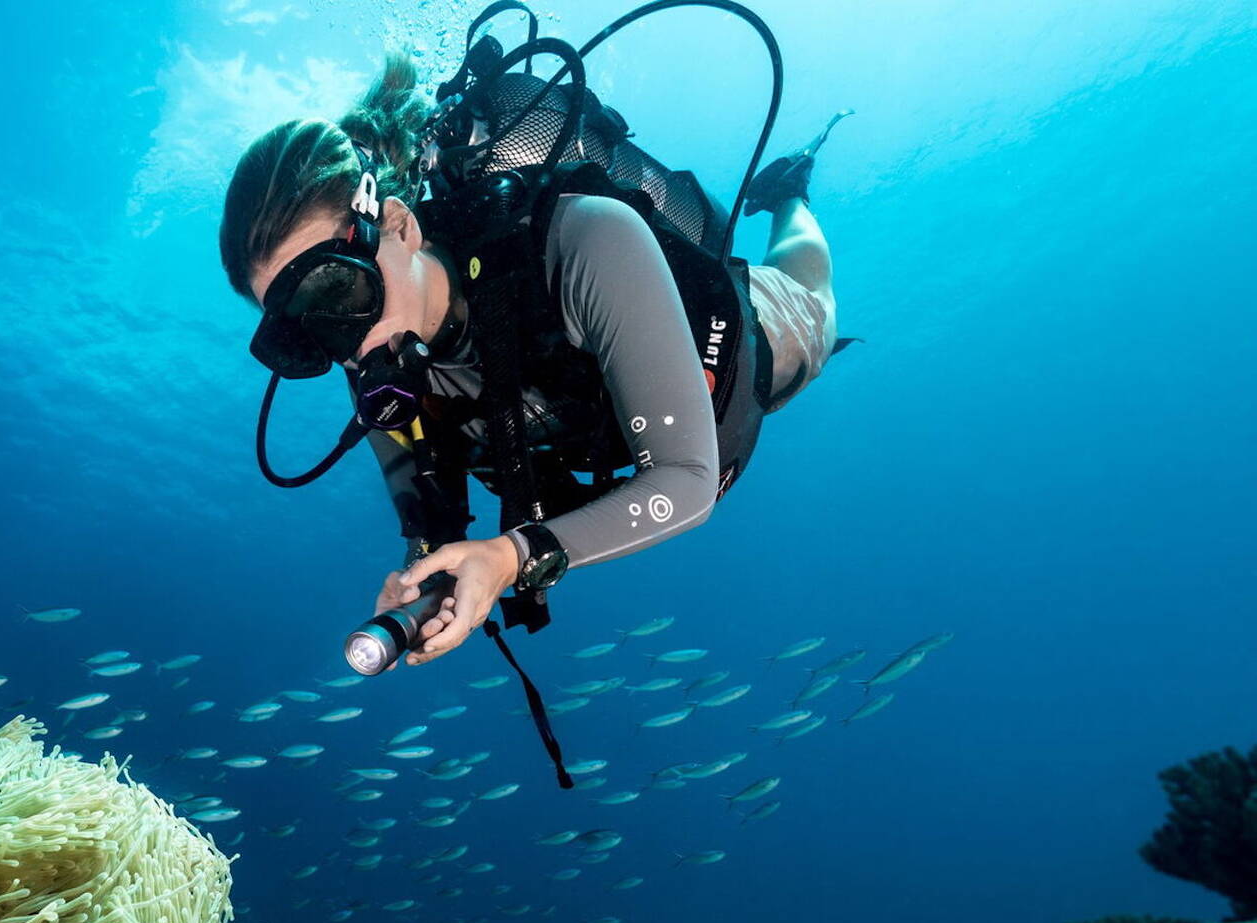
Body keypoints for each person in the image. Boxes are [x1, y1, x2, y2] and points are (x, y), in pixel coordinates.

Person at [220, 52, 846, 671]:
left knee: (815, 308)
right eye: (307, 333)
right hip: (596, 432)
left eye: (338, 291)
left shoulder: (583, 239)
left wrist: (514, 556)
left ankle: (790, 194)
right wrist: (428, 592)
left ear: (399, 225)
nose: (349, 345)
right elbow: (437, 530)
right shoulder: (374, 359)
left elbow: (686, 479)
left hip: (734, 347)